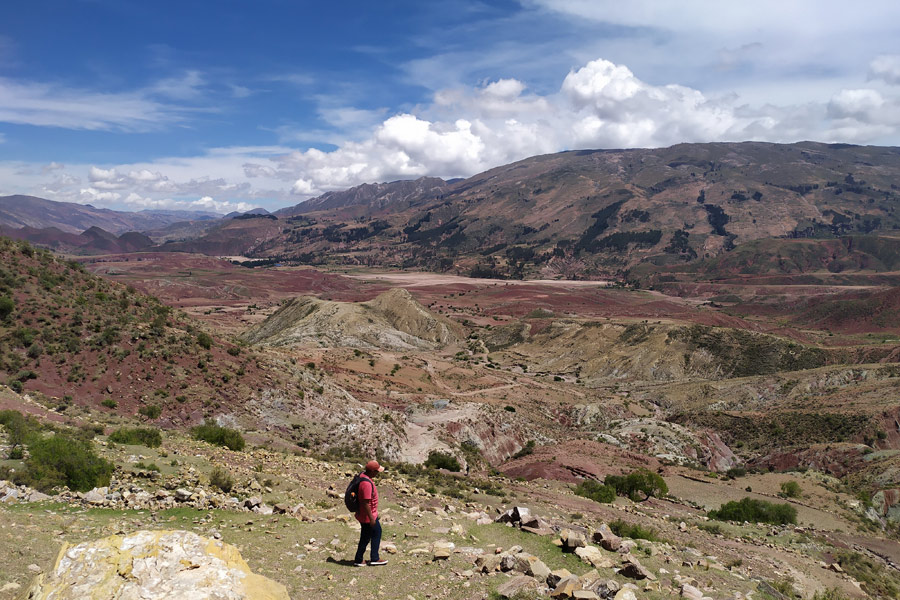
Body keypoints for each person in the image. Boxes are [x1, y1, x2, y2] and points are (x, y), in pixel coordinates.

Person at [354, 459, 387, 567]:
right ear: (372, 471)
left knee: (366, 536)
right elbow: (365, 503)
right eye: (377, 471)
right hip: (368, 516)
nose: (378, 473)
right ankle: (374, 558)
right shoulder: (366, 484)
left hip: (366, 515)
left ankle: (359, 559)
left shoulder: (364, 476)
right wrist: (371, 518)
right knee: (376, 533)